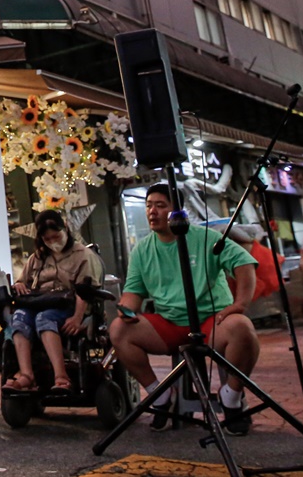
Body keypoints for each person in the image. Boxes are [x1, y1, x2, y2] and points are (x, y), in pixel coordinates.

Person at [110, 183, 260, 436]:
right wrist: (127, 310)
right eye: (149, 206)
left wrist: (241, 304)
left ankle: (231, 397)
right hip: (170, 323)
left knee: (242, 328)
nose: (153, 212)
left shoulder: (206, 238)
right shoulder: (142, 250)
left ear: (178, 212)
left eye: (161, 206)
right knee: (118, 331)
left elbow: (244, 263)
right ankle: (160, 395)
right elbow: (134, 292)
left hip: (211, 322)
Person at [1, 209, 102, 395]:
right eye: (48, 240)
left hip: (69, 306)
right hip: (40, 301)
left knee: (43, 318)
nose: (53, 242)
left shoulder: (83, 255)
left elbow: (85, 291)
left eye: (56, 236)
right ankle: (26, 374)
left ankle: (61, 377)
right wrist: (20, 285)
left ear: (66, 230)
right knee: (19, 317)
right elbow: (22, 279)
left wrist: (78, 317)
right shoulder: (38, 257)